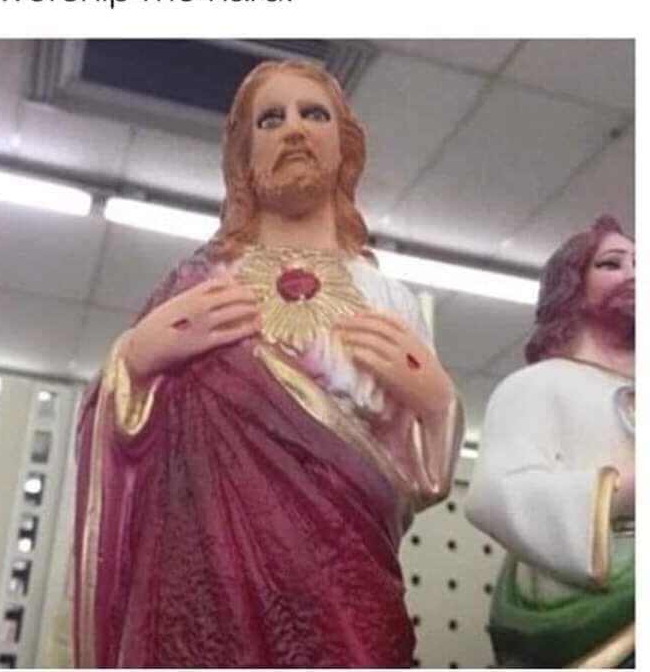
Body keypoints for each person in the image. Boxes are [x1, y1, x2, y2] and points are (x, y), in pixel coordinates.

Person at [73, 59, 463, 668]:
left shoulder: (389, 299)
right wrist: (137, 357)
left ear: (344, 146)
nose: (294, 129)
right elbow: (118, 442)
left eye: (314, 114)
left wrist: (438, 406)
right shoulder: (196, 285)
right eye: (271, 119)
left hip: (347, 589)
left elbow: (416, 483)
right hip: (205, 592)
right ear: (245, 158)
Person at [465, 215, 635, 668]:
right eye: (612, 264)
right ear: (571, 286)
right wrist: (616, 489)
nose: (632, 275)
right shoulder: (536, 387)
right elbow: (494, 493)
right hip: (593, 602)